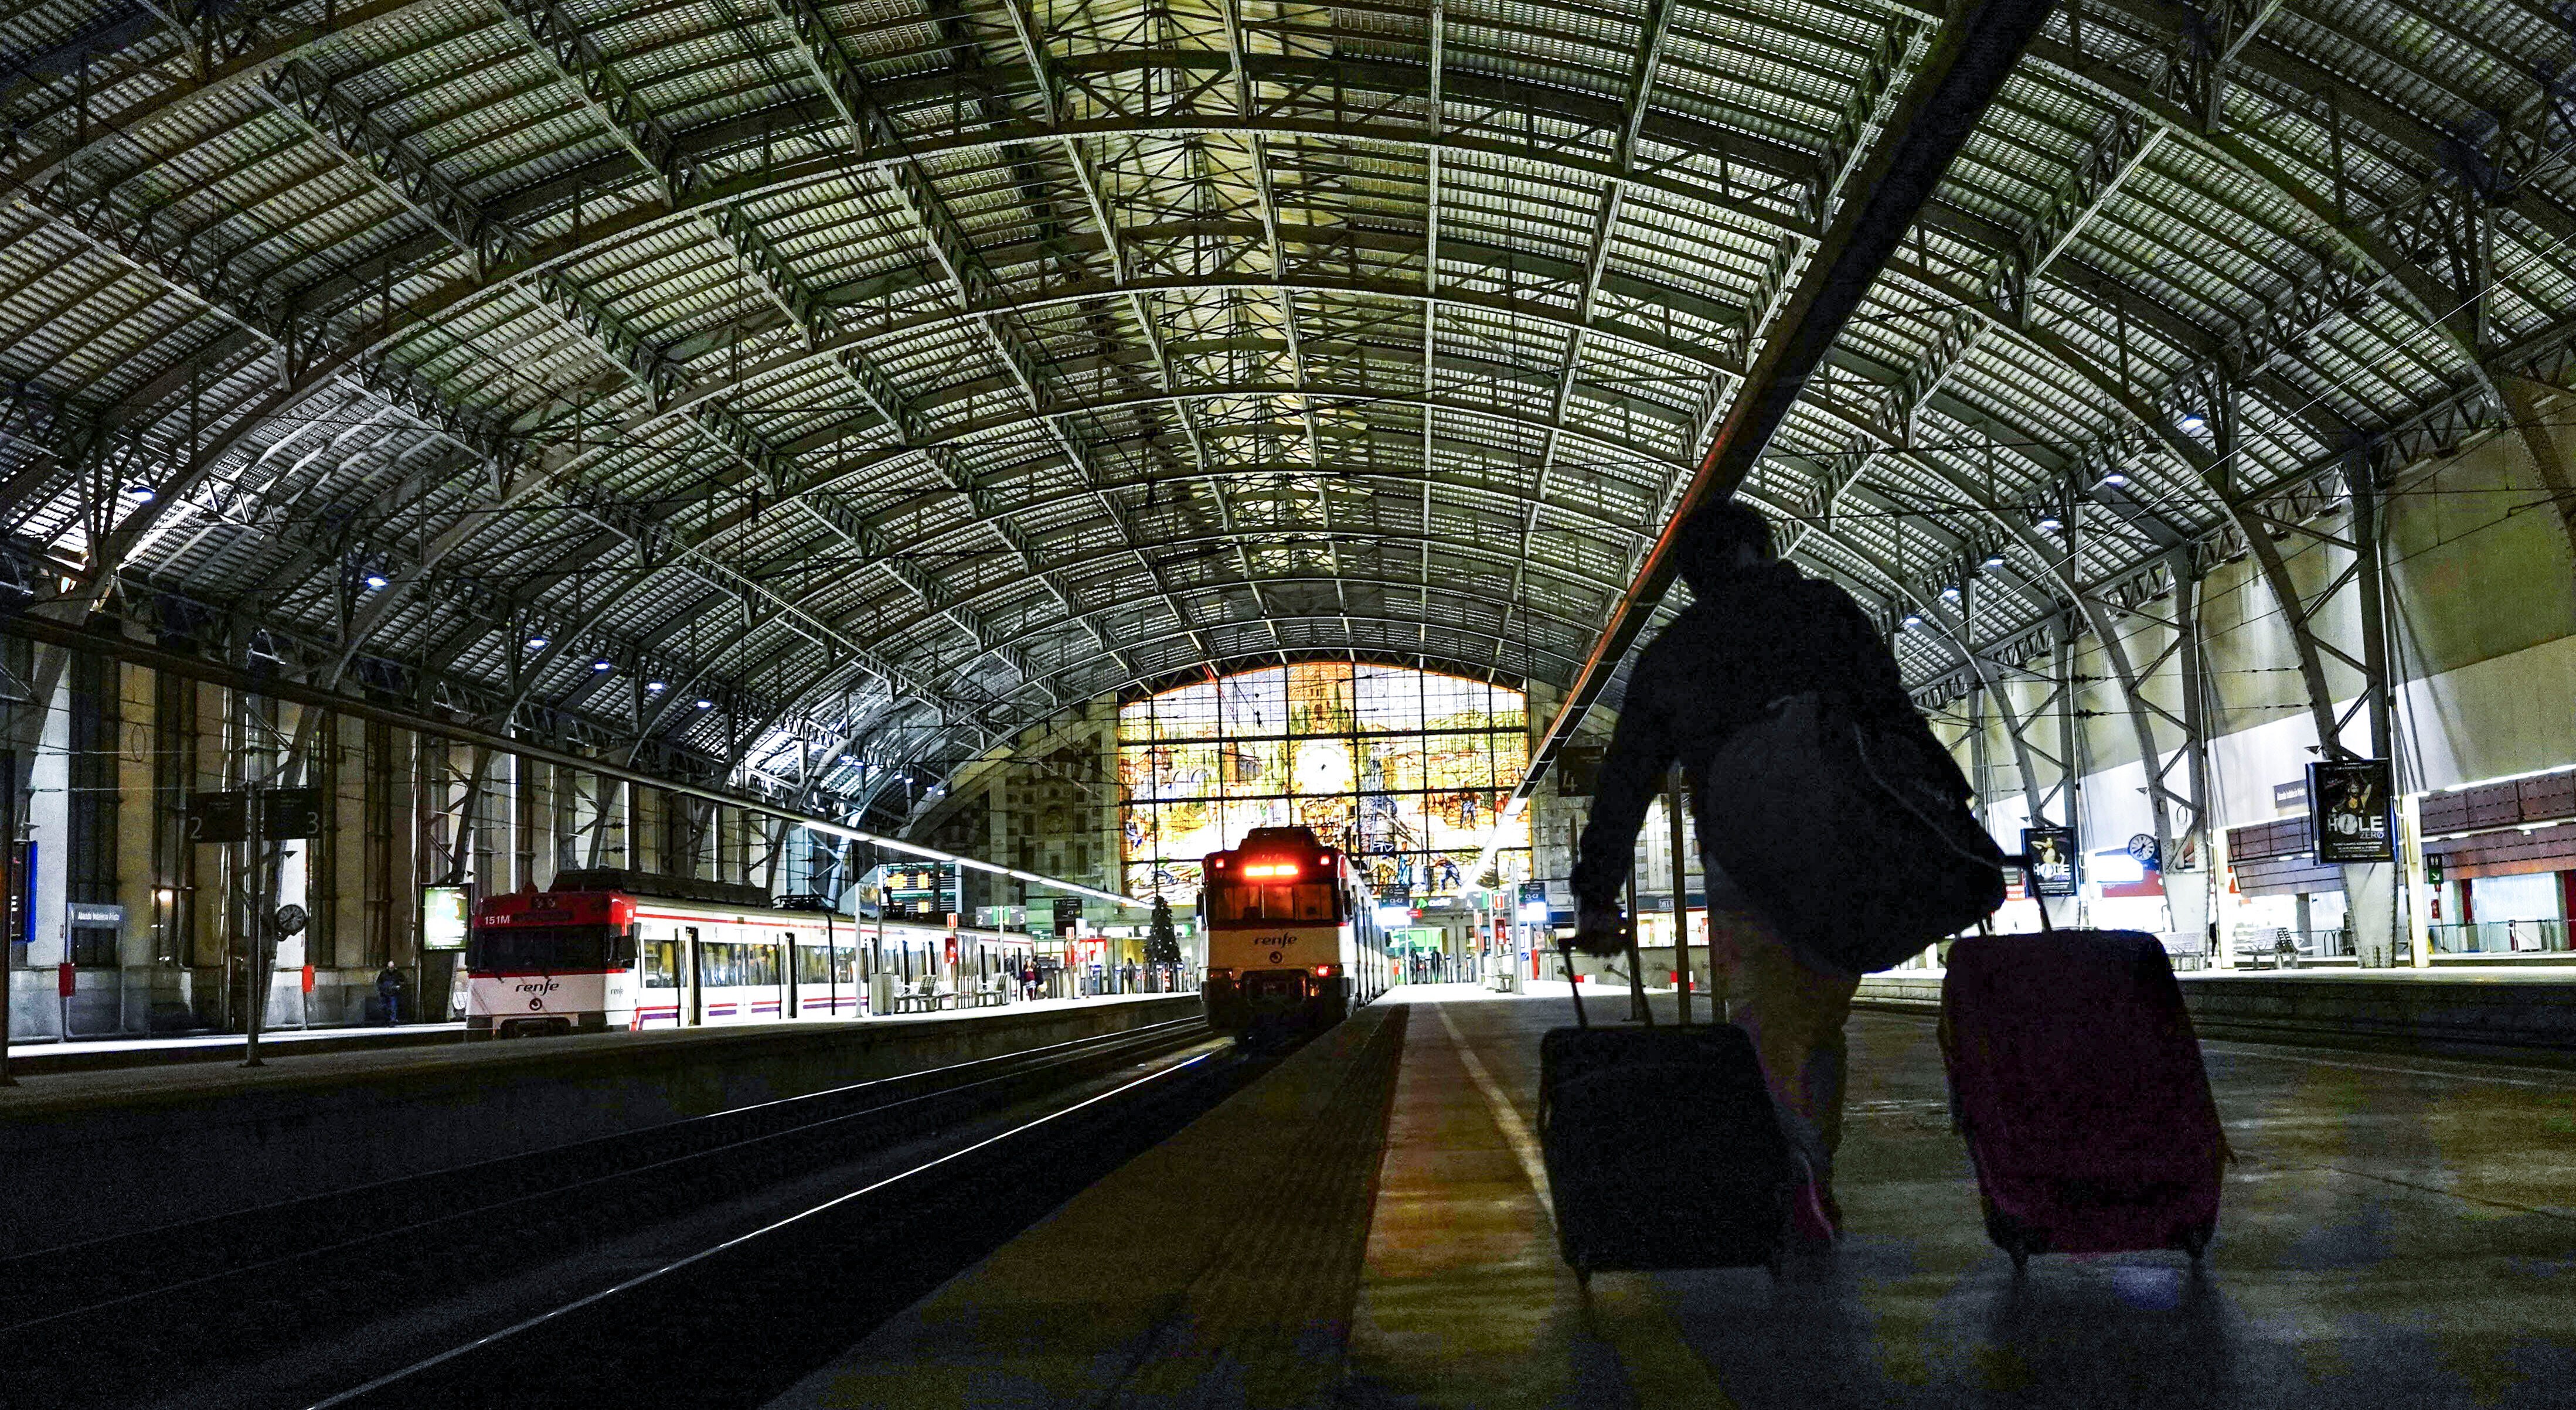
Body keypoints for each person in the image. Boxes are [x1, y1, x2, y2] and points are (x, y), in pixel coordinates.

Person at [1571, 500, 1948, 1246]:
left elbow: (1625, 782)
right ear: (1757, 550)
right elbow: (1894, 721)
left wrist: (1596, 897)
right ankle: (1814, 1172)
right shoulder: (1828, 613)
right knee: (1818, 1022)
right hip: (1842, 856)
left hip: (1745, 862)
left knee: (1760, 1025)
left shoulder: (1676, 651)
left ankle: (1796, 1169)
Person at [375, 963, 406, 1027]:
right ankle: (386, 1020)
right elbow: (378, 983)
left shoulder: (397, 973)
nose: (391, 969)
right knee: (385, 1007)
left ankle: (392, 1021)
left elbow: (403, 980)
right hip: (384, 993)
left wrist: (399, 986)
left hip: (393, 993)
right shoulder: (383, 974)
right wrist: (382, 989)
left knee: (393, 1007)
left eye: (392, 968)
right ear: (387, 968)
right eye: (390, 968)